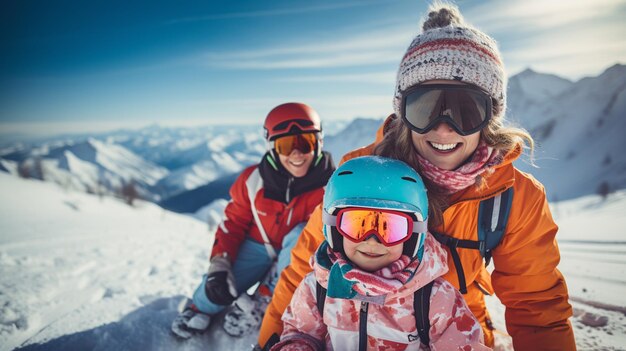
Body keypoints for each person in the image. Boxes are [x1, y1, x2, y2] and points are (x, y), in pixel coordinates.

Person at [259, 5, 575, 351]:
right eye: (424, 107)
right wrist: (270, 343)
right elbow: (308, 269)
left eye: (466, 110)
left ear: (490, 117)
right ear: (403, 111)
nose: (443, 128)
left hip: (455, 326)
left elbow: (537, 306)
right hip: (354, 325)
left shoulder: (513, 195)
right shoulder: (361, 172)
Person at [270, 156, 490, 350]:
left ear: (413, 235)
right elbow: (301, 332)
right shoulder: (317, 287)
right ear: (335, 230)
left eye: (390, 227)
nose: (373, 239)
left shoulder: (434, 298)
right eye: (358, 224)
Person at [171, 102, 335, 339]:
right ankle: (200, 306)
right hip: (259, 246)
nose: (296, 153)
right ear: (272, 147)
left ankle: (264, 300)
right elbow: (233, 224)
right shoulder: (253, 180)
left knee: (304, 233)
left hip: (297, 254)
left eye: (305, 143)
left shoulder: (330, 187)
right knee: (220, 285)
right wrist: (220, 264)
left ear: (319, 142)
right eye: (286, 145)